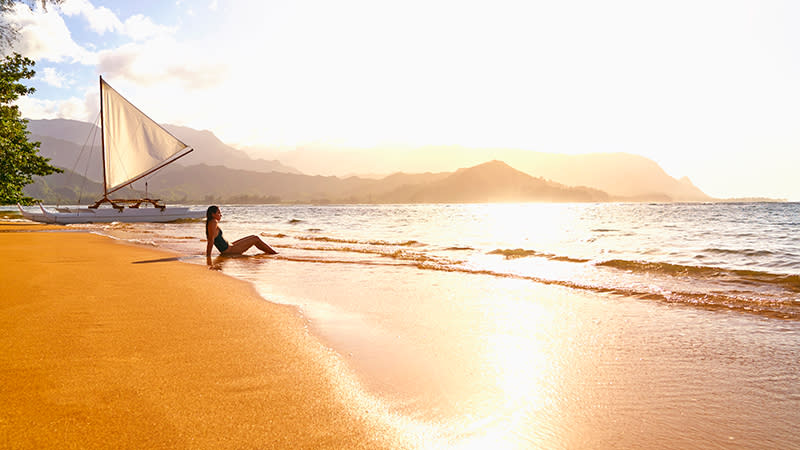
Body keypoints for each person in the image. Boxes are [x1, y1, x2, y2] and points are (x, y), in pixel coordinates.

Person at [205, 205, 277, 267]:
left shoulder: (211, 222)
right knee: (255, 238)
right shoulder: (213, 222)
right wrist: (208, 257)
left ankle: (271, 253)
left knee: (254, 237)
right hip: (229, 251)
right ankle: (274, 254)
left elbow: (211, 239)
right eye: (218, 213)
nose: (221, 215)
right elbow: (211, 240)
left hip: (230, 247)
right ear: (213, 214)